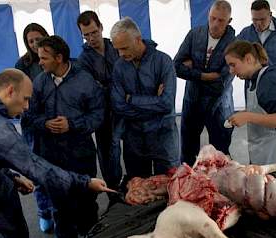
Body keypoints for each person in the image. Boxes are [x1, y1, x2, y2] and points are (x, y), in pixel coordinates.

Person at [0, 68, 112, 238]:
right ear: (10, 91)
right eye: (25, 100)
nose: (26, 107)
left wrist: (11, 175)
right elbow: (39, 169)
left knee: (18, 233)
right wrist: (85, 182)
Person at [25, 35, 106, 238]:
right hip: (51, 154)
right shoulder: (40, 82)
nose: (39, 62)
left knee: (86, 199)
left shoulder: (85, 81)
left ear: (59, 58)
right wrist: (44, 123)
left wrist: (73, 124)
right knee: (59, 201)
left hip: (81, 154)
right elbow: (29, 116)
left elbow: (98, 116)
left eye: (44, 58)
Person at [110, 17, 179, 180]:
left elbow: (167, 104)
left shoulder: (163, 61)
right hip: (134, 139)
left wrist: (131, 99)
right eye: (117, 49)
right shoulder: (119, 66)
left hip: (163, 137)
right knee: (139, 189)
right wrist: (154, 101)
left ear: (138, 39)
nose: (121, 54)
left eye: (124, 48)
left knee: (169, 186)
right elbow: (118, 106)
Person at [174, 0, 235, 166]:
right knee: (187, 152)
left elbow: (223, 81)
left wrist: (193, 70)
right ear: (208, 15)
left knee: (220, 155)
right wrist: (204, 76)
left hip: (219, 105)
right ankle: (187, 187)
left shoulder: (234, 43)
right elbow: (177, 66)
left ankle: (218, 190)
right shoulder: (195, 34)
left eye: (221, 20)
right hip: (192, 101)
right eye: (213, 18)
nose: (215, 24)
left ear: (229, 21)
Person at [77, 11, 122, 201]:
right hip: (102, 114)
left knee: (133, 150)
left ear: (101, 27)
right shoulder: (83, 60)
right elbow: (93, 90)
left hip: (125, 109)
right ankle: (113, 195)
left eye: (94, 32)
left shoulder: (115, 46)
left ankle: (132, 188)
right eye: (86, 35)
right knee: (108, 155)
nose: (91, 38)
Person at [15, 23, 51, 233]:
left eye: (39, 38)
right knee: (36, 171)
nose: (36, 43)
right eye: (31, 41)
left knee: (54, 170)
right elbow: (21, 104)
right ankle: (44, 212)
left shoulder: (54, 58)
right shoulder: (22, 65)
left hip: (52, 125)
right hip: (32, 128)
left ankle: (56, 212)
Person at [225, 40, 276, 165]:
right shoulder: (252, 81)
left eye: (233, 65)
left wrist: (248, 116)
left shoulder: (268, 80)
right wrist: (246, 113)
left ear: (248, 59)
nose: (231, 71)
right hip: (262, 156)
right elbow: (264, 109)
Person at [237, 0, 276, 65]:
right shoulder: (245, 34)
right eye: (255, 19)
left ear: (270, 15)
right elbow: (232, 52)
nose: (258, 23)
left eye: (262, 19)